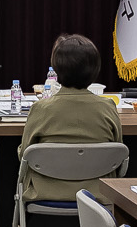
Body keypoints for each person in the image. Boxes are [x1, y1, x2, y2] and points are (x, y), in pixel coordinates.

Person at [16, 33, 122, 205]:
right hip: (98, 193)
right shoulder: (108, 108)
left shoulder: (41, 109)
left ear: (56, 69)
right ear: (96, 69)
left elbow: (24, 155)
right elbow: (118, 151)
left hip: (44, 191)